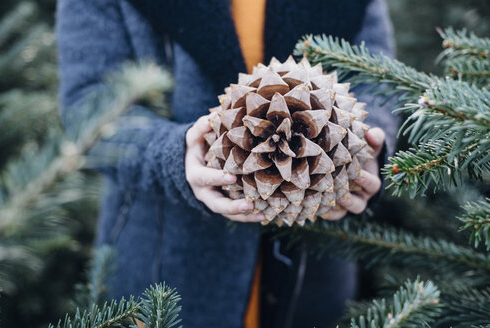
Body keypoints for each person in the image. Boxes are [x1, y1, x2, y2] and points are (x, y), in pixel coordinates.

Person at [56, 0, 397, 327]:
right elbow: (88, 106)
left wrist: (364, 149)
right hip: (165, 267)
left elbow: (380, 81)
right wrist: (171, 154)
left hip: (312, 274)